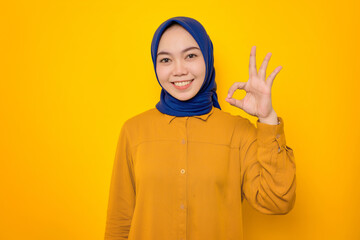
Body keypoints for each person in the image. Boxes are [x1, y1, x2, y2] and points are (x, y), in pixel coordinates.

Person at [104, 16, 296, 240]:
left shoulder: (238, 132)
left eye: (191, 56)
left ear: (207, 57)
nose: (179, 70)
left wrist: (268, 118)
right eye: (166, 60)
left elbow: (277, 200)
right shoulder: (133, 131)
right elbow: (120, 222)